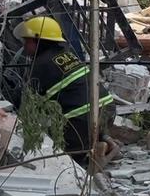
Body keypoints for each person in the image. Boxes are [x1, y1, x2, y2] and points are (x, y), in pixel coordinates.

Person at [13, 16, 117, 168]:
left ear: (39, 40)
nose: (24, 45)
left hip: (82, 120)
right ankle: (104, 141)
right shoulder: (67, 54)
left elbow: (27, 104)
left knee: (54, 148)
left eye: (27, 41)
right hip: (108, 111)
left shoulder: (40, 65)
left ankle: (85, 155)